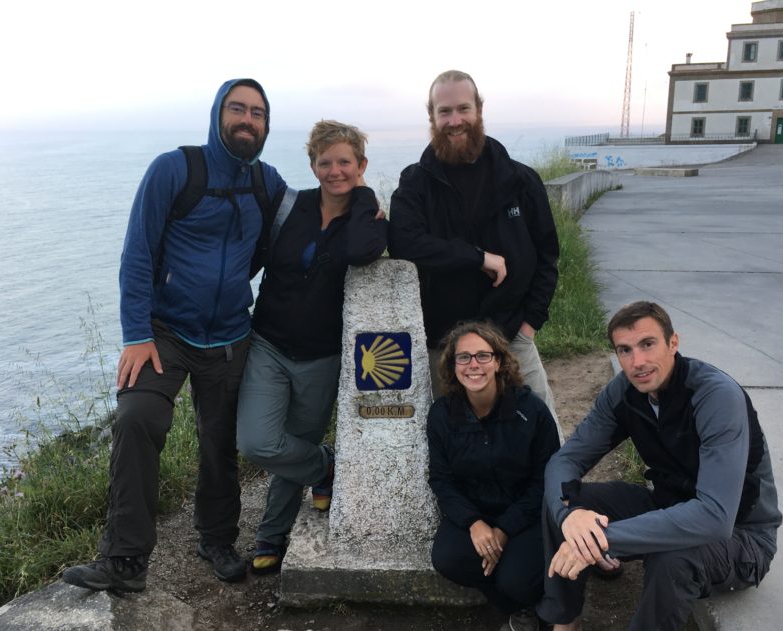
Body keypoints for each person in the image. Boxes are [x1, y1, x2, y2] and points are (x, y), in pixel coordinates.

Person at [503, 301, 782, 631]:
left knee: (674, 553)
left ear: (673, 343)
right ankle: (565, 630)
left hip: (740, 535)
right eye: (625, 350)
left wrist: (601, 540)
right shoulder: (625, 392)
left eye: (648, 344)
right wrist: (572, 515)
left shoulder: (715, 397)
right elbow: (565, 462)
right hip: (667, 504)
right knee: (567, 502)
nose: (638, 360)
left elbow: (713, 518)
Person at [62, 78, 286, 592]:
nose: (247, 120)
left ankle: (217, 538)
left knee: (220, 440)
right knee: (138, 417)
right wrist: (136, 333)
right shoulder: (175, 169)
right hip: (164, 333)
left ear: (266, 125)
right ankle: (125, 559)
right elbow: (137, 253)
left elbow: (304, 220)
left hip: (231, 335)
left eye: (257, 113)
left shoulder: (265, 183)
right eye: (237, 109)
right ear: (217, 114)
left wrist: (365, 210)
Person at [236, 120, 387, 574]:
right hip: (269, 343)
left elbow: (361, 252)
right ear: (312, 165)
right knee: (258, 441)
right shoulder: (290, 207)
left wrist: (362, 197)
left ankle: (273, 533)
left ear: (361, 165)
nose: (335, 171)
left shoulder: (369, 219)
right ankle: (324, 467)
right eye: (326, 162)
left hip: (324, 354)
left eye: (346, 162)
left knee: (294, 441)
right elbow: (254, 259)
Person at [389, 70, 560, 416]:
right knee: (454, 441)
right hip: (445, 344)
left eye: (463, 109)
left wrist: (530, 325)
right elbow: (404, 243)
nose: (455, 121)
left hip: (511, 336)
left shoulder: (520, 180)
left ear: (479, 110)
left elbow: (547, 255)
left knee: (543, 431)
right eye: (444, 111)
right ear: (432, 117)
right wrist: (477, 257)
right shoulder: (415, 182)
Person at [427, 320, 560, 631]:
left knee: (517, 579)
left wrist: (503, 531)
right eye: (464, 357)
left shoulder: (532, 411)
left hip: (525, 513)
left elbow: (546, 481)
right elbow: (441, 480)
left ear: (499, 361)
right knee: (448, 559)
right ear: (452, 365)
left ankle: (541, 601)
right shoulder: (442, 414)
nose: (473, 365)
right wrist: (475, 524)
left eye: (483, 356)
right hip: (475, 512)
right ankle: (515, 606)